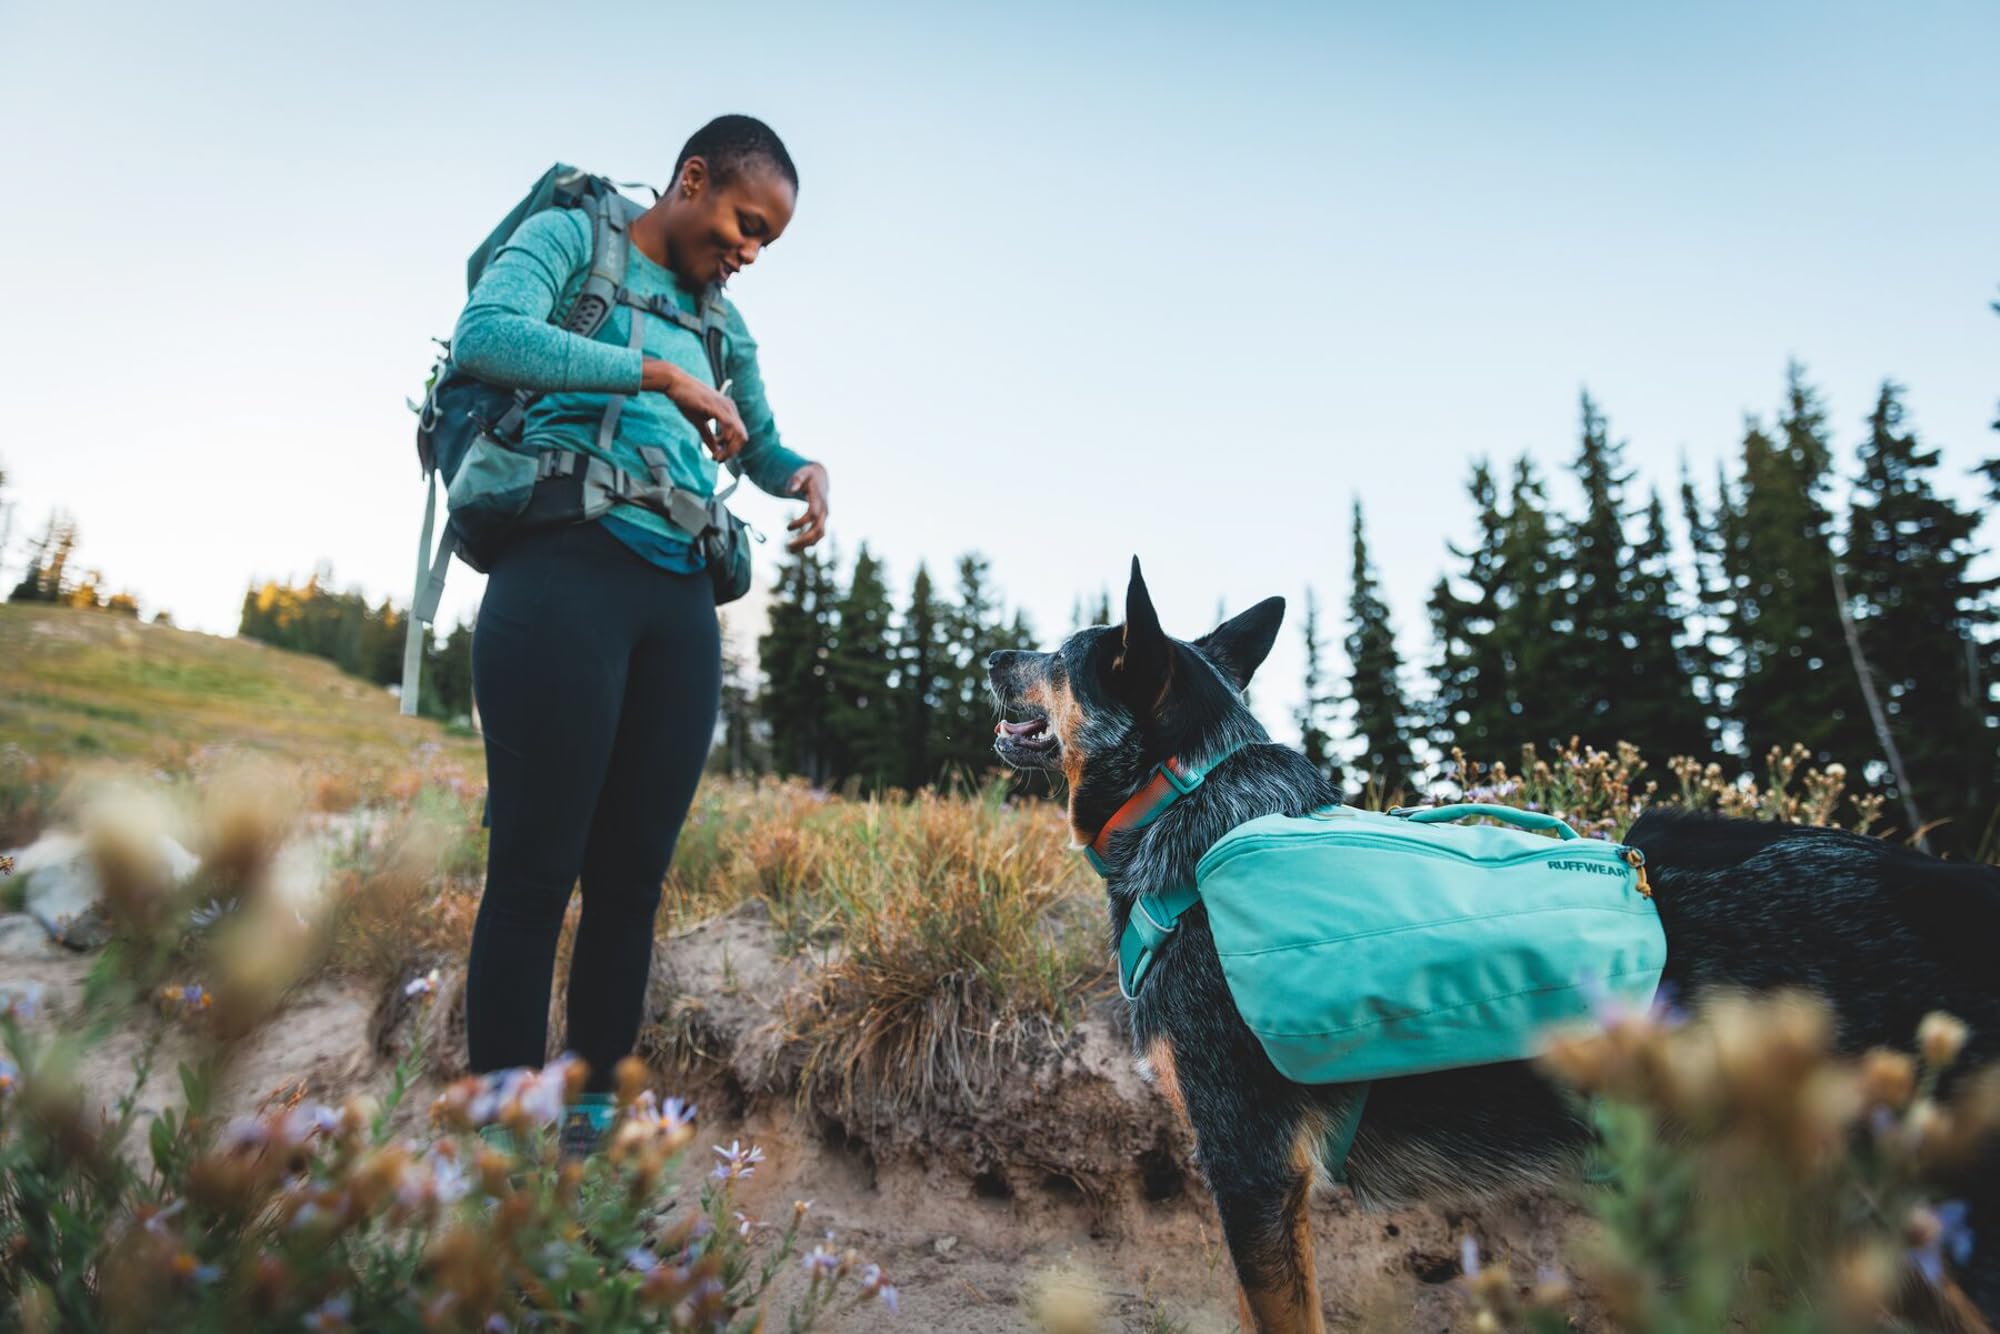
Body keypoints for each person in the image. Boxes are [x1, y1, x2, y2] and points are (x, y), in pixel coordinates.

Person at [447, 114, 828, 1151]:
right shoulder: (578, 232)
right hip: (561, 566)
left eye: (767, 242)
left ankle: (587, 1140)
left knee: (630, 884)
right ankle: (502, 1146)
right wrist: (652, 374)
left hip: (678, 597)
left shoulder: (721, 320)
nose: (748, 252)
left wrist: (800, 474)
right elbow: (488, 331)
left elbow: (757, 436)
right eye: (745, 224)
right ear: (692, 179)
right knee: (533, 872)